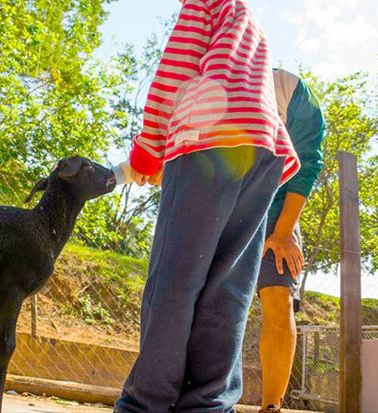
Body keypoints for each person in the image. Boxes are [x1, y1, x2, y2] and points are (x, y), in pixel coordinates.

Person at [115, 0, 300, 411]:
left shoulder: (203, 4)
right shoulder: (246, 17)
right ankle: (208, 403)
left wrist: (148, 151)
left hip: (207, 141)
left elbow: (174, 73)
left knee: (175, 281)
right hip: (262, 152)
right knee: (227, 289)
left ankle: (147, 402)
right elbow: (255, 93)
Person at [257, 68, 325, 413]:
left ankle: (271, 406)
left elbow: (309, 162)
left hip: (278, 211)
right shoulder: (210, 81)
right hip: (225, 205)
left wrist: (283, 231)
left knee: (279, 297)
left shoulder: (290, 89)